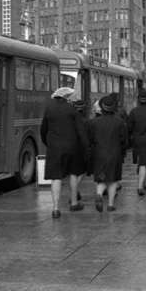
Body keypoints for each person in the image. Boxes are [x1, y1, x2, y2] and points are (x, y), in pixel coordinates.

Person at [40, 87, 90, 218]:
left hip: (54, 147)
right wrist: (87, 148)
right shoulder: (73, 110)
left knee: (56, 176)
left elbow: (43, 130)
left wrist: (49, 144)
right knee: (73, 173)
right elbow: (81, 131)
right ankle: (74, 203)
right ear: (67, 97)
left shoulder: (49, 110)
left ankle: (56, 209)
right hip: (71, 146)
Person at [88, 95, 129, 212]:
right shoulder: (119, 122)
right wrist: (123, 151)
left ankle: (99, 194)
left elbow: (90, 139)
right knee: (113, 179)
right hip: (114, 154)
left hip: (99, 154)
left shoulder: (93, 122)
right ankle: (110, 205)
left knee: (101, 178)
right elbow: (124, 139)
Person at [127, 89, 146, 195]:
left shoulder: (134, 111)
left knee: (141, 161)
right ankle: (140, 186)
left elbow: (129, 127)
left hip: (136, 139)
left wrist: (130, 137)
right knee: (144, 163)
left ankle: (145, 183)